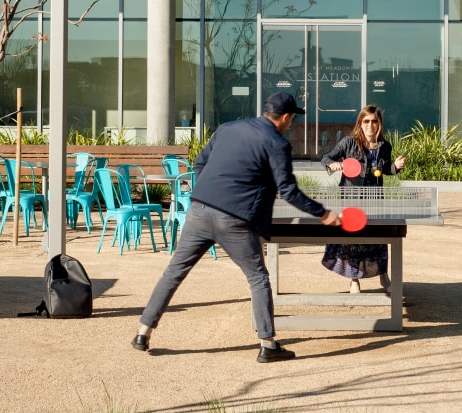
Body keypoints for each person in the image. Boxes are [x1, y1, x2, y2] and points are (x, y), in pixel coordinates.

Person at [132, 92, 341, 362]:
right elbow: (288, 191)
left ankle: (143, 331)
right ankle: (267, 345)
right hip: (235, 219)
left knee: (174, 272)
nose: (291, 124)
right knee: (258, 278)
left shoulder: (228, 128)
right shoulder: (277, 143)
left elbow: (200, 163)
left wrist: (212, 192)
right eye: (292, 120)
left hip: (199, 210)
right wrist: (323, 213)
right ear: (286, 117)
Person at [320, 105, 405, 295]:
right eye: (366, 121)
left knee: (379, 239)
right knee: (353, 241)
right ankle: (354, 280)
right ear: (360, 123)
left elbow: (385, 169)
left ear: (379, 124)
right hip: (351, 200)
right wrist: (333, 164)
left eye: (374, 121)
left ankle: (383, 276)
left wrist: (396, 166)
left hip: (375, 200)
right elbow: (326, 158)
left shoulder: (385, 146)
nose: (370, 125)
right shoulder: (348, 143)